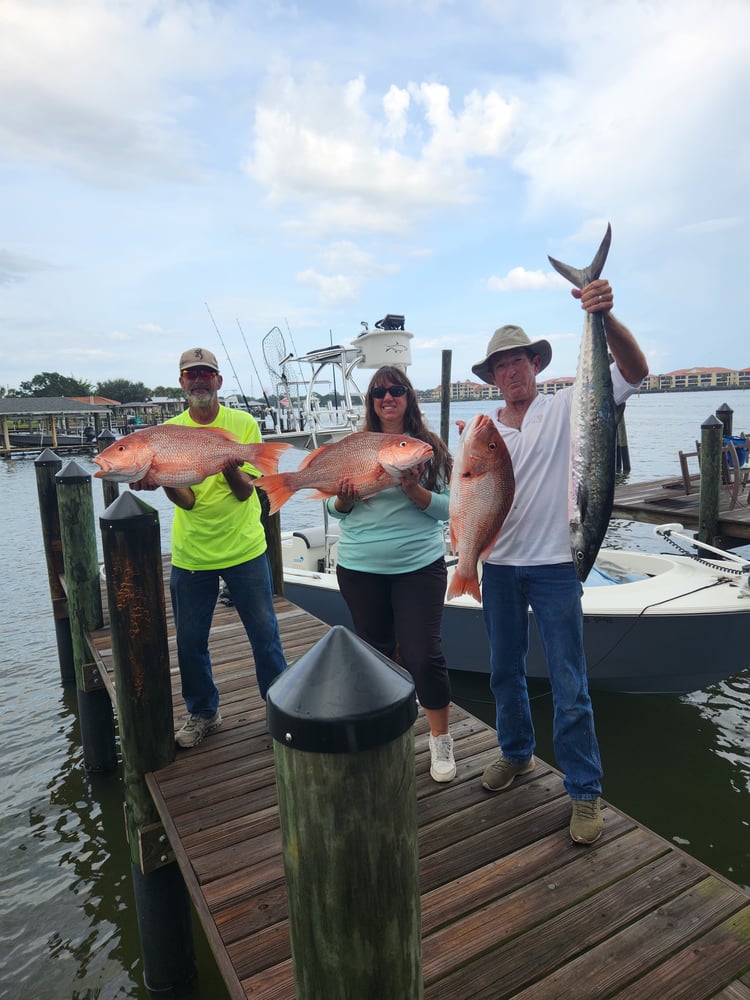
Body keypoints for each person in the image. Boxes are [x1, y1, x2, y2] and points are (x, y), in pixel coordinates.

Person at [471, 278, 648, 843]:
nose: (512, 372)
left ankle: (585, 791)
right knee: (504, 671)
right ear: (492, 377)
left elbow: (635, 372)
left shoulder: (570, 406)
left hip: (555, 566)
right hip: (497, 568)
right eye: (501, 365)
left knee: (570, 682)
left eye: (520, 360)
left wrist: (606, 317)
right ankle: (517, 752)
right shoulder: (482, 430)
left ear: (537, 365)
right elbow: (467, 497)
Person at [133, 347, 287, 749]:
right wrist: (161, 478)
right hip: (192, 554)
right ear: (182, 383)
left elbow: (243, 494)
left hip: (246, 549)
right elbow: (188, 501)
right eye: (191, 374)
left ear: (218, 381)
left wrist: (231, 462)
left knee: (265, 633)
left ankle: (280, 708)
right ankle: (204, 713)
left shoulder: (242, 424)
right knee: (189, 639)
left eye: (206, 373)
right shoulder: (168, 433)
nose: (199, 379)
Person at [328, 366, 457, 782]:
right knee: (376, 655)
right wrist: (344, 501)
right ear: (371, 400)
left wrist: (415, 491)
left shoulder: (428, 448)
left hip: (418, 568)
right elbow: (331, 508)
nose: (388, 398)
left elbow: (453, 507)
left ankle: (440, 741)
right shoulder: (355, 445)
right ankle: (384, 737)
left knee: (424, 655)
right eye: (379, 392)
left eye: (396, 390)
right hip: (360, 568)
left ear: (408, 396)